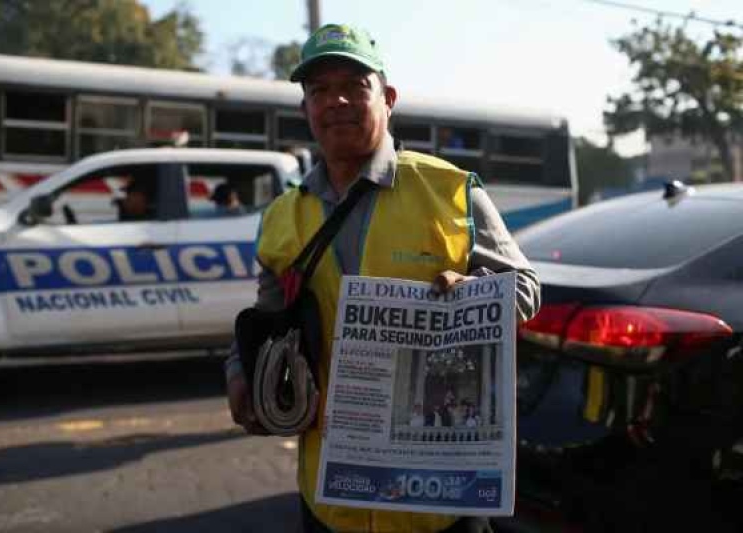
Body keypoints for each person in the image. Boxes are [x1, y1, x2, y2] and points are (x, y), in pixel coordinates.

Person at [225, 23, 540, 533]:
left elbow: (526, 287)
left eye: (355, 86)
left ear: (388, 98)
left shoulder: (450, 191)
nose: (337, 101)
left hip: (438, 502)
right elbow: (266, 316)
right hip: (329, 494)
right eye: (320, 91)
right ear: (306, 108)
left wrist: (476, 296)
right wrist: (239, 372)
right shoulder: (283, 214)